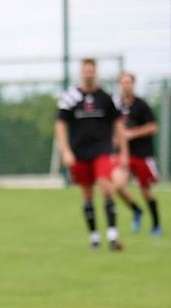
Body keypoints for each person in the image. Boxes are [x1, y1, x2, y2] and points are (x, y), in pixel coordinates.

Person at [55, 58, 129, 251]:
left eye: (92, 71)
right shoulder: (70, 97)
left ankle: (112, 236)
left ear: (96, 73)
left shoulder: (106, 98)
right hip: (79, 152)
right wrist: (65, 150)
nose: (89, 74)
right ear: (81, 73)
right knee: (87, 194)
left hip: (102, 150)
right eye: (86, 71)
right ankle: (94, 238)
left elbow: (118, 124)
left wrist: (123, 152)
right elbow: (60, 124)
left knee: (105, 185)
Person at [111, 72, 162, 236]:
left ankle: (156, 225)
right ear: (119, 85)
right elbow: (113, 129)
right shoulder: (115, 107)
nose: (126, 85)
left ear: (133, 84)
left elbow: (153, 127)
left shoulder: (142, 105)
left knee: (145, 191)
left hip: (142, 154)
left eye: (129, 82)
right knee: (117, 185)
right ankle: (136, 210)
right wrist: (115, 139)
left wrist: (133, 133)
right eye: (123, 83)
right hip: (124, 155)